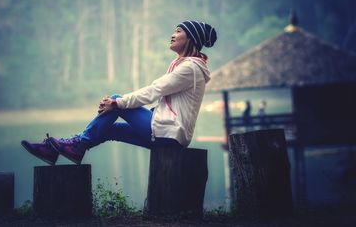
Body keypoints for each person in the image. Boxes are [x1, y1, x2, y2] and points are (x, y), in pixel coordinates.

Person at [21, 20, 217, 165]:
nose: (173, 34)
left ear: (190, 38)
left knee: (116, 99)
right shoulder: (186, 66)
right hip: (166, 133)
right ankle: (61, 149)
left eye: (178, 31)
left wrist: (118, 104)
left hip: (169, 134)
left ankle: (76, 146)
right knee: (110, 129)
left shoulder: (190, 68)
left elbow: (155, 90)